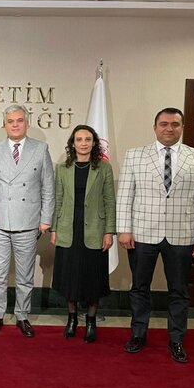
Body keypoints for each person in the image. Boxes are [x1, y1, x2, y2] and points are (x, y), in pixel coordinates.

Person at [117, 107, 194, 363]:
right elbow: (125, 195)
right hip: (142, 234)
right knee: (139, 288)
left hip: (182, 235)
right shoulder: (135, 155)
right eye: (164, 124)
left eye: (174, 124)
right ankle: (138, 334)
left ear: (181, 127)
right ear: (155, 127)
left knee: (179, 291)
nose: (169, 128)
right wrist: (123, 229)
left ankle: (177, 340)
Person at [0, 104, 55, 338]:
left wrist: (46, 218)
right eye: (10, 121)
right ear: (4, 125)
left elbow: (48, 187)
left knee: (25, 275)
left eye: (19, 120)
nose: (15, 125)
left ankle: (22, 315)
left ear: (27, 123)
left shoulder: (41, 149)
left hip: (28, 221)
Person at [50, 125, 116, 343]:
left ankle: (90, 321)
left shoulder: (104, 168)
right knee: (70, 277)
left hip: (95, 230)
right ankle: (71, 319)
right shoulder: (62, 168)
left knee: (92, 278)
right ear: (73, 143)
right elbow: (58, 199)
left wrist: (109, 231)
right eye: (79, 139)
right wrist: (54, 229)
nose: (84, 143)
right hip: (68, 229)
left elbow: (109, 201)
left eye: (88, 139)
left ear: (94, 143)